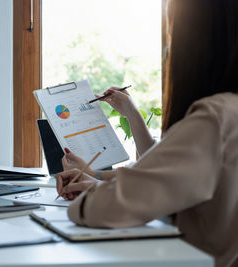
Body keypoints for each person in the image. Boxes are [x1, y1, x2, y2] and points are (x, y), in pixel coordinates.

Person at [55, 0, 238, 266]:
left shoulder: (216, 118)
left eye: (172, 34)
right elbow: (173, 170)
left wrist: (97, 191)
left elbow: (102, 207)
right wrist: (97, 178)